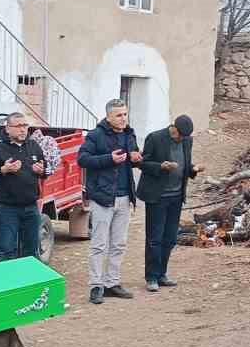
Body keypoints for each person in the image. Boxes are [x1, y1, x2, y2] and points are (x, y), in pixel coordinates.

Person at [77, 99, 142, 304]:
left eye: (125, 114)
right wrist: (108, 159)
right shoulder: (96, 135)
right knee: (99, 244)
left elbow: (131, 159)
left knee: (119, 244)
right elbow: (82, 159)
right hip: (103, 198)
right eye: (119, 115)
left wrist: (135, 157)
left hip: (124, 196)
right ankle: (96, 286)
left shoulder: (129, 134)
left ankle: (112, 283)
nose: (123, 119)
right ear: (108, 117)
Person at [136, 115, 200, 292]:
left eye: (184, 138)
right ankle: (152, 277)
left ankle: (162, 273)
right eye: (179, 136)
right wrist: (160, 166)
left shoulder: (187, 141)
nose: (181, 140)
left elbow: (186, 165)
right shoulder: (155, 138)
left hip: (176, 196)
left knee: (170, 238)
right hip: (158, 196)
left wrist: (193, 169)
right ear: (174, 128)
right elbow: (142, 163)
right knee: (154, 238)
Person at [0, 112, 46, 263]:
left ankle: (28, 283)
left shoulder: (34, 145)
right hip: (7, 208)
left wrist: (41, 171)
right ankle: (8, 283)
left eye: (25, 126)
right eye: (18, 126)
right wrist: (3, 170)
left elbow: (46, 170)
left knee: (31, 251)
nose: (23, 130)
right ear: (8, 128)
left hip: (31, 208)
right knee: (6, 250)